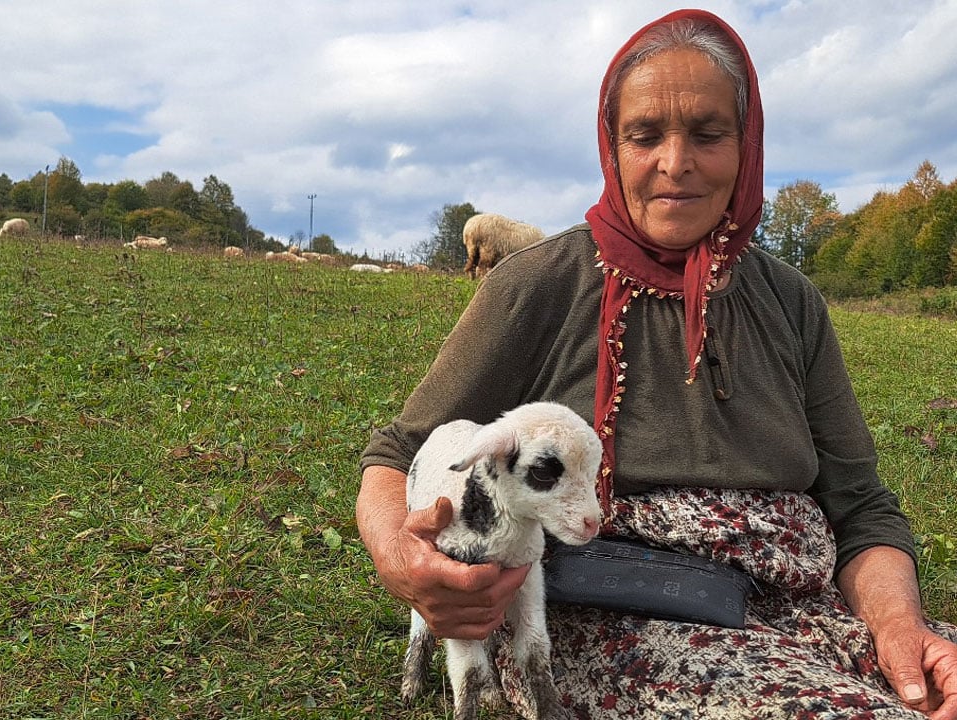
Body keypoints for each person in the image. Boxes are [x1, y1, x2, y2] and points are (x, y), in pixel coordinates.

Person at [357, 8, 957, 719]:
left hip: (801, 604)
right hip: (622, 617)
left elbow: (860, 508)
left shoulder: (791, 301)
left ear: (746, 145)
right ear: (613, 148)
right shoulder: (538, 284)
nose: (676, 163)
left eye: (708, 134)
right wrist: (408, 564)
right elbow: (397, 455)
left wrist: (896, 627)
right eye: (646, 135)